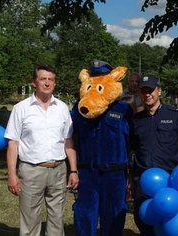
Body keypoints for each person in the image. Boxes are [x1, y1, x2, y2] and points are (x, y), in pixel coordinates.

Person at [4, 64, 79, 236]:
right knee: (30, 222)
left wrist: (73, 170)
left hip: (59, 170)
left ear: (55, 82)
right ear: (34, 82)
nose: (47, 83)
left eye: (50, 79)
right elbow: (13, 143)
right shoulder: (20, 109)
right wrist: (12, 174)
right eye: (43, 79)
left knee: (57, 220)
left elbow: (68, 141)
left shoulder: (62, 108)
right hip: (31, 170)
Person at [71, 60, 133, 236]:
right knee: (85, 213)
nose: (98, 79)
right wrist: (73, 170)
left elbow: (131, 141)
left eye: (102, 76)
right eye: (95, 76)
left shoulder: (123, 108)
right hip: (87, 171)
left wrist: (129, 173)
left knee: (114, 213)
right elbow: (70, 136)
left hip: (114, 173)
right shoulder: (79, 107)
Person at [129, 74, 178, 235]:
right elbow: (133, 151)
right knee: (143, 221)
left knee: (170, 226)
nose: (147, 94)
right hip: (144, 181)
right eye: (143, 91)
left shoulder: (175, 115)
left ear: (159, 91)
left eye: (150, 90)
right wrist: (130, 179)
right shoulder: (136, 120)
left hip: (171, 181)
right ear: (139, 94)